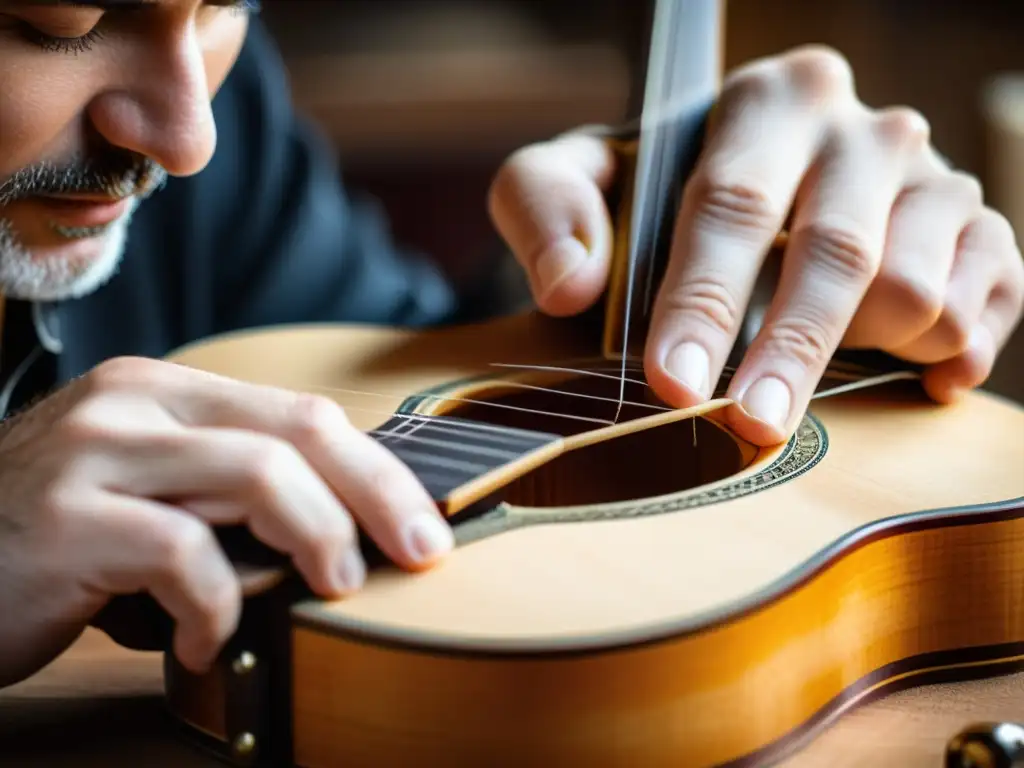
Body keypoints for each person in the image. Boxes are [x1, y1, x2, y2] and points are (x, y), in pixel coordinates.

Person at [0, 2, 1020, 689]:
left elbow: (372, 403)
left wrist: (635, 272)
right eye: (55, 27)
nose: (188, 141)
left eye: (226, 6)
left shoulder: (211, 102)